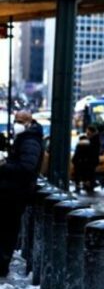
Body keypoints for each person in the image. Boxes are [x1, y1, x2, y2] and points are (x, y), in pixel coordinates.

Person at [0, 111, 44, 277]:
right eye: (16, 120)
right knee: (7, 229)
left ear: (28, 122)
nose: (16, 123)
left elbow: (26, 167)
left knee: (7, 230)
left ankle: (2, 264)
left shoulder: (30, 141)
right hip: (13, 192)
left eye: (20, 121)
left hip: (15, 193)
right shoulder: (26, 138)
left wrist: (4, 165)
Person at [71, 125, 101, 194]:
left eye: (88, 132)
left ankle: (88, 185)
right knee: (89, 174)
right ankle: (88, 185)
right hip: (89, 160)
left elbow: (91, 148)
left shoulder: (94, 139)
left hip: (90, 160)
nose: (87, 134)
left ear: (92, 132)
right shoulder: (93, 139)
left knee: (89, 174)